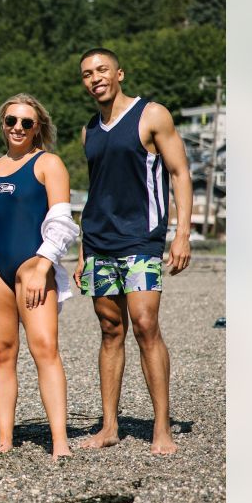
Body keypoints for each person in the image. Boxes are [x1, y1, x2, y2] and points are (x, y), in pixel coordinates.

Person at [74, 47, 193, 455]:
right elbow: (96, 193)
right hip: (98, 244)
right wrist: (82, 250)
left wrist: (181, 234)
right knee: (110, 330)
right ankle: (109, 426)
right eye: (88, 73)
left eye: (102, 69)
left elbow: (179, 173)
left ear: (119, 73)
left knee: (144, 324)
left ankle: (162, 427)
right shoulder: (88, 131)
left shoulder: (151, 115)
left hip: (141, 239)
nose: (95, 78)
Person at [0, 94, 79, 460]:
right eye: (11, 120)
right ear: (3, 124)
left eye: (26, 123)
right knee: (1, 352)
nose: (17, 128)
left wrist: (43, 266)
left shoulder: (49, 164)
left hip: (33, 265)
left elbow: (62, 223)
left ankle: (59, 440)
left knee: (44, 349)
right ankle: (5, 438)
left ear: (37, 128)